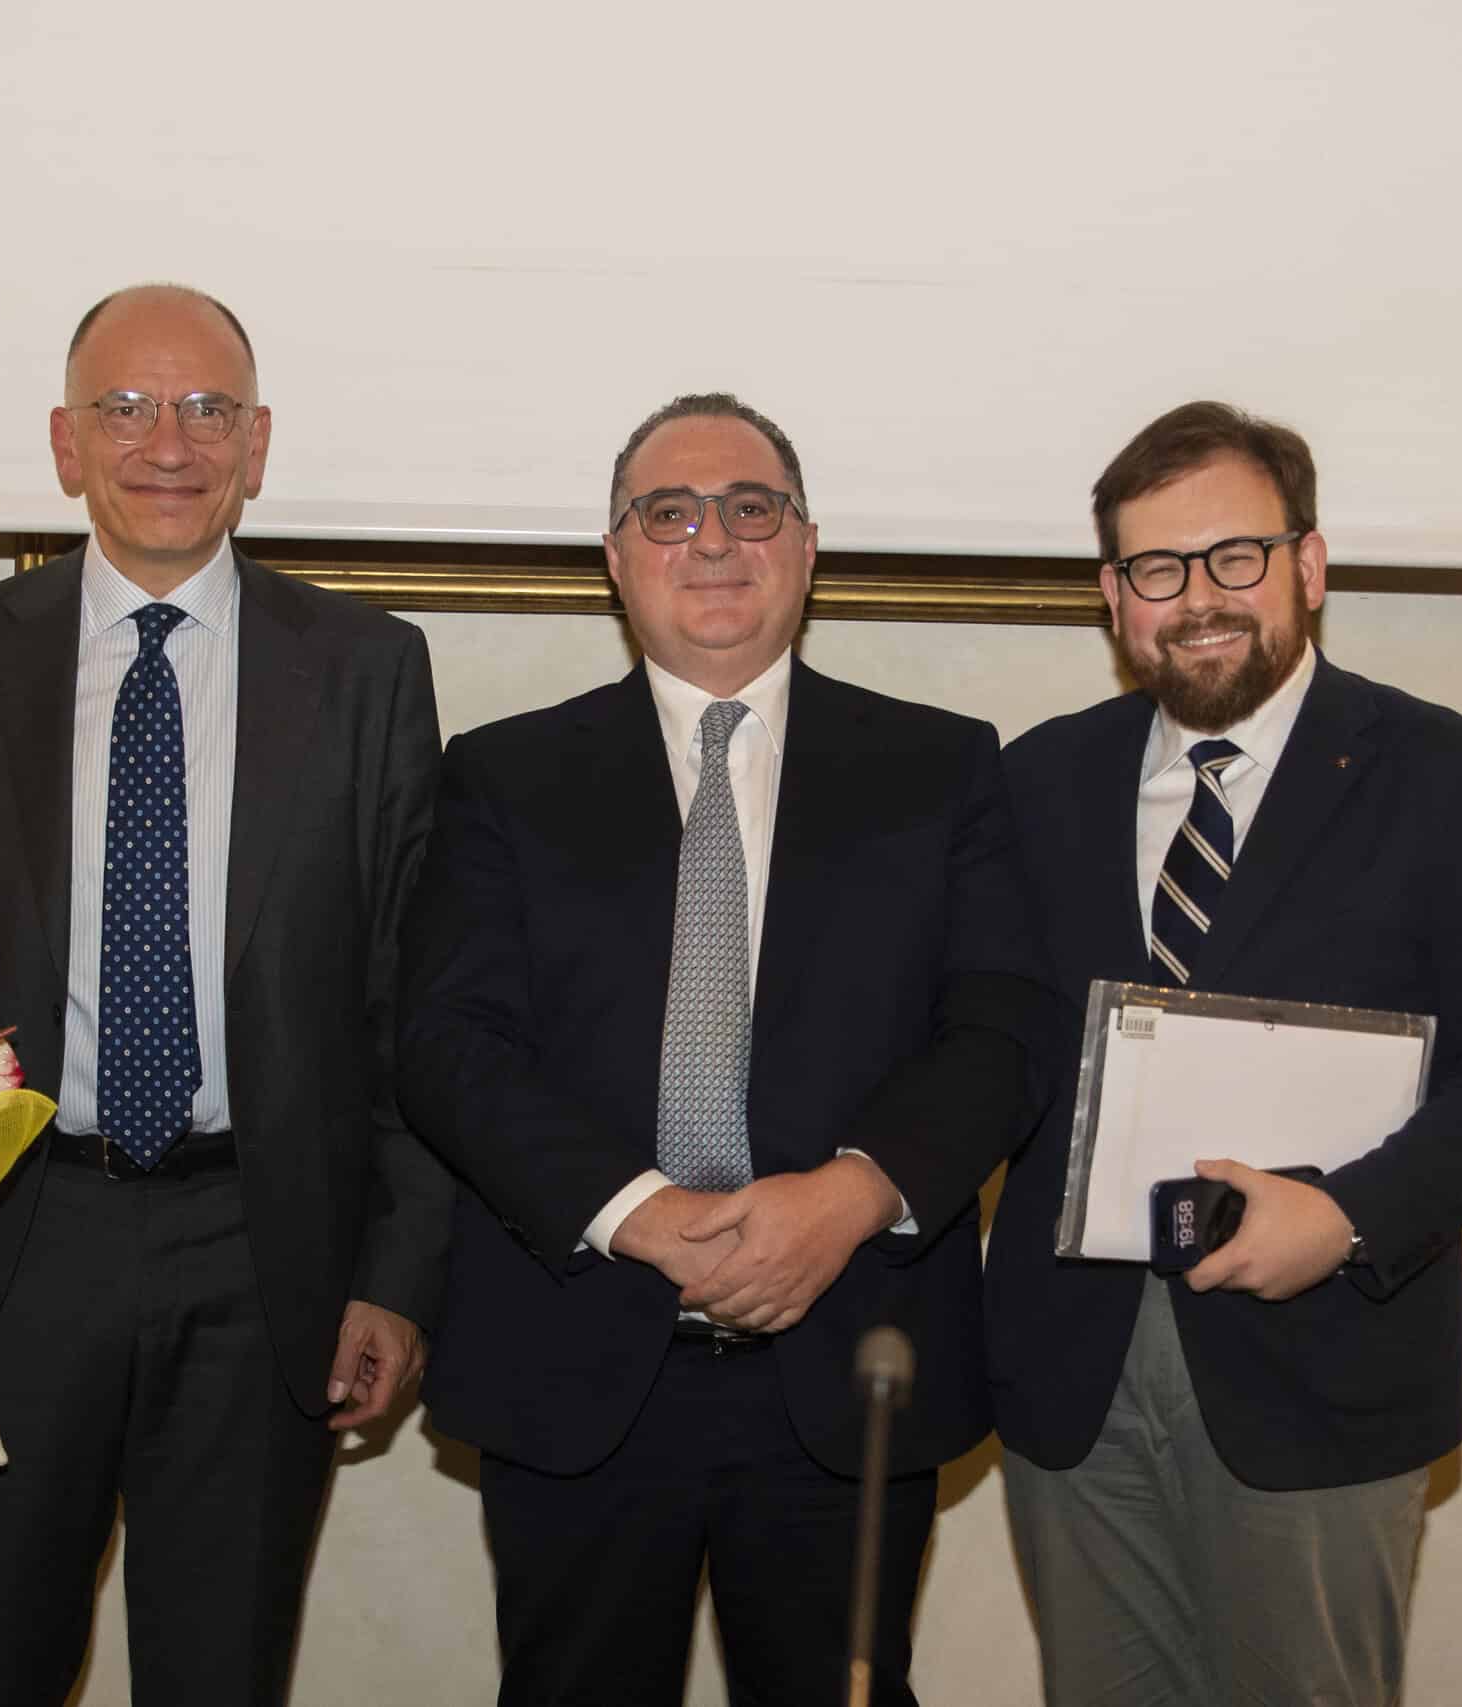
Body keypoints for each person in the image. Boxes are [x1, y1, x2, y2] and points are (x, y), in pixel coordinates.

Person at [397, 393, 1063, 1704]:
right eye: (669, 512)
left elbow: (1005, 1028)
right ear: (615, 555)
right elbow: (447, 1042)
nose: (712, 538)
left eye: (751, 508)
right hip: (577, 1356)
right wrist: (640, 1214)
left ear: (806, 546)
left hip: (848, 1355)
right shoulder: (504, 775)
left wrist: (848, 1197)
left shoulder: (938, 767)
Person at [0, 283, 451, 1706]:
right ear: (66, 442)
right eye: (125, 408)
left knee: (220, 1672)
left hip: (266, 1251)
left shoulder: (368, 667)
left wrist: (394, 1270)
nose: (167, 443)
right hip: (11, 1243)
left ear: (258, 442)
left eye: (206, 409)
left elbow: (408, 996)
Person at [985, 401, 1462, 1706]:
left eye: (1235, 556)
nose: (1198, 599)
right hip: (1073, 1377)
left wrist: (1346, 1212)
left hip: (1323, 1368)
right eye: (1158, 568)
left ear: (1308, 566)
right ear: (1113, 597)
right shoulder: (1036, 782)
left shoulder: (1438, 773)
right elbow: (984, 1046)